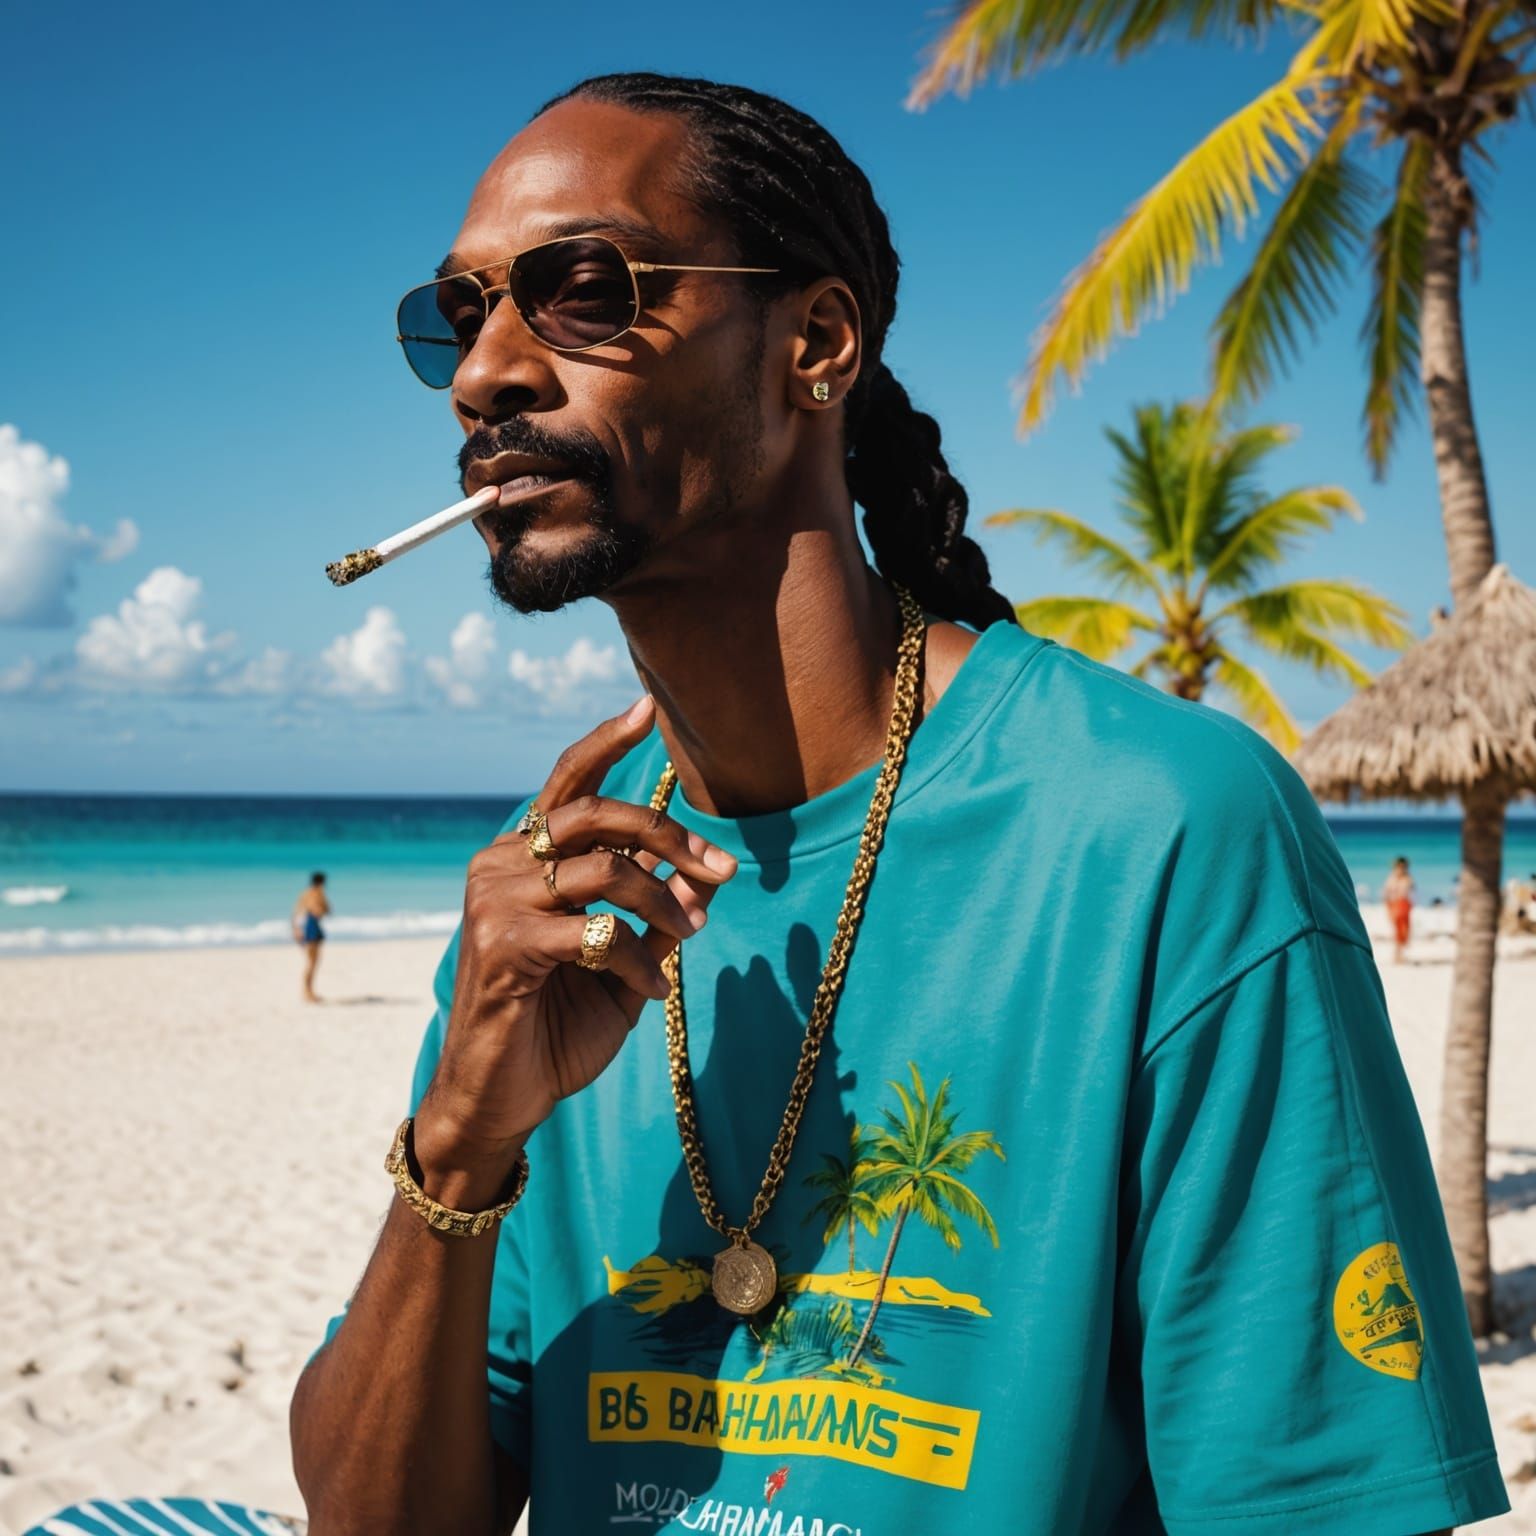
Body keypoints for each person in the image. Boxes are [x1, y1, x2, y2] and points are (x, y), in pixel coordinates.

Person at [289, 73, 1508, 1536]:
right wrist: (460, 1141)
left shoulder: (1161, 831)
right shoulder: (554, 894)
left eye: (584, 292)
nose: (487, 372)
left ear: (813, 343)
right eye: (460, 314)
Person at [291, 871, 330, 1003]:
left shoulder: (304, 894)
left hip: (304, 927)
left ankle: (308, 991)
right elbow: (321, 910)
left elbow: (296, 912)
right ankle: (308, 992)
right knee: (312, 963)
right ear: (322, 882)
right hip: (311, 926)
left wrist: (295, 930)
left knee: (310, 962)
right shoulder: (317, 893)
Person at [1383, 855, 1415, 963]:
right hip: (1395, 906)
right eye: (1399, 867)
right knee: (1398, 931)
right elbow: (1386, 894)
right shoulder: (1392, 878)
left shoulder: (1407, 878)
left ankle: (1399, 954)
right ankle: (1397, 955)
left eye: (1403, 867)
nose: (1401, 869)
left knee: (1404, 931)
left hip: (1404, 906)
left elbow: (1411, 893)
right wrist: (1388, 907)